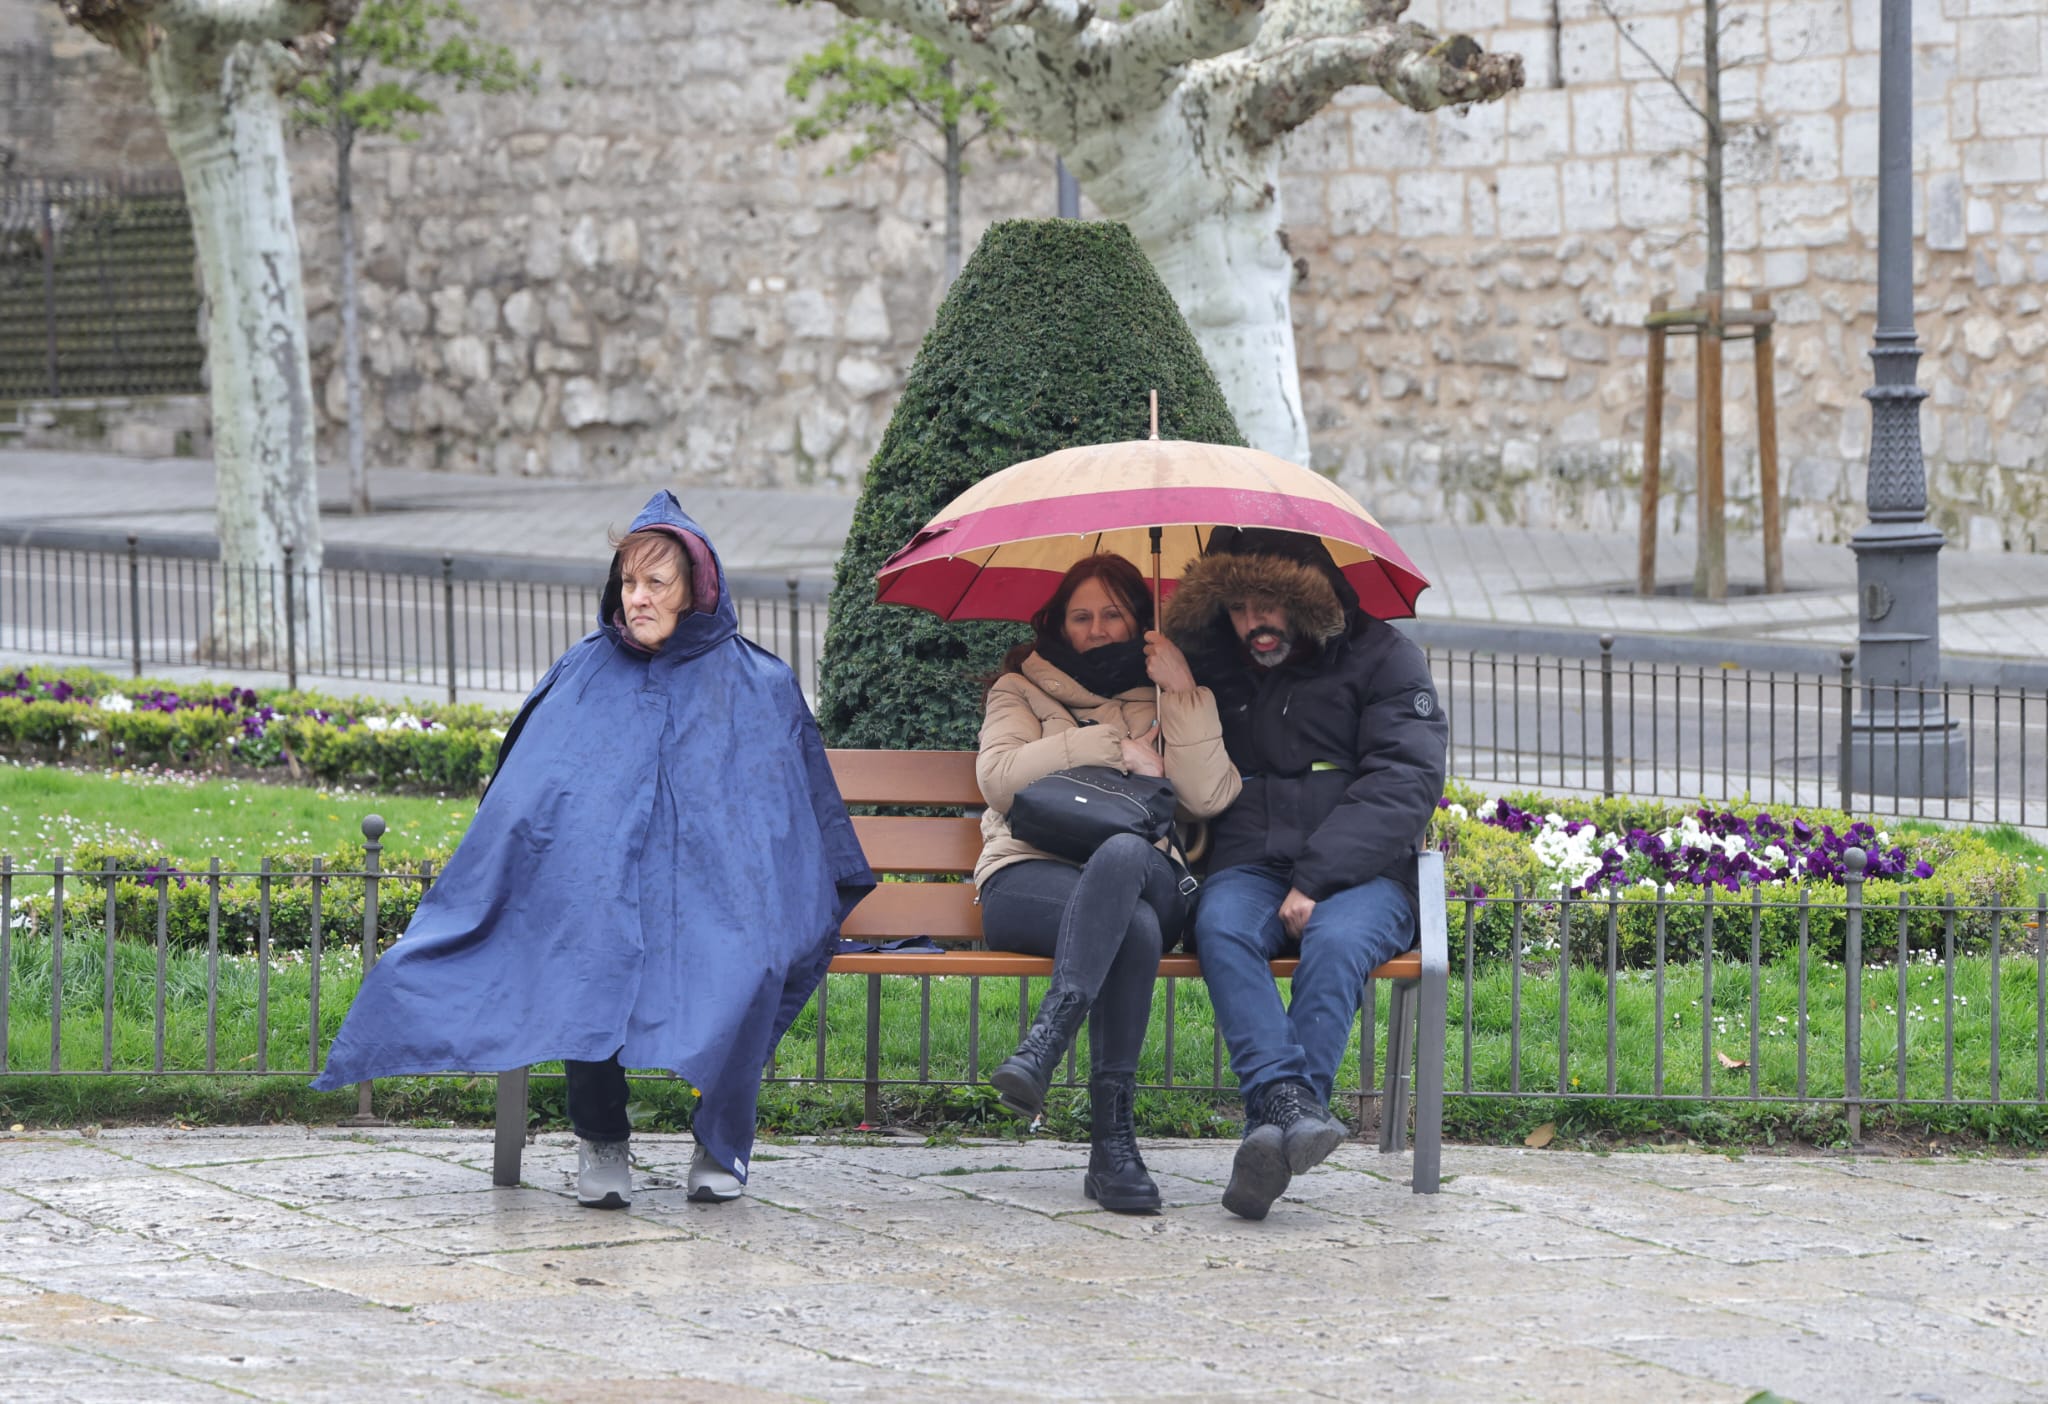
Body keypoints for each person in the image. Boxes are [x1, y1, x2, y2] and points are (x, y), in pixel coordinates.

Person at [315, 492, 875, 1211]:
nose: (637, 599)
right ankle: (601, 1139)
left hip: (719, 896)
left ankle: (719, 1142)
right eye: (628, 583)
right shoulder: (584, 671)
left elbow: (783, 820)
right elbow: (529, 798)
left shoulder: (757, 684)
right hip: (599, 886)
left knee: (748, 958)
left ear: (696, 590)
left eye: (656, 584)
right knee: (591, 947)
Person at [1161, 528, 1447, 1221]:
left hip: (1364, 875)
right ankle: (1293, 1112)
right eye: (1237, 608)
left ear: (1307, 599)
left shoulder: (1384, 658)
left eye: (1268, 605)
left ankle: (1274, 1127)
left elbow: (1404, 782)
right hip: (1249, 863)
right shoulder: (1211, 662)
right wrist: (1165, 666)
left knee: (1338, 943)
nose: (1252, 623)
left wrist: (1315, 879)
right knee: (1222, 925)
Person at [974, 554, 1240, 1214]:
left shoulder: (1164, 692)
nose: (1096, 628)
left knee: (1123, 854)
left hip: (1147, 875)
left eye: (1113, 614)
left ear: (1138, 619)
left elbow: (1207, 798)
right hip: (1027, 877)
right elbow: (999, 778)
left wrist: (1180, 692)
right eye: (1081, 616)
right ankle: (1111, 1145)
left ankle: (1045, 1045)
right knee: (1134, 929)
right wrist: (1111, 746)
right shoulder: (1020, 689)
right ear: (1059, 624)